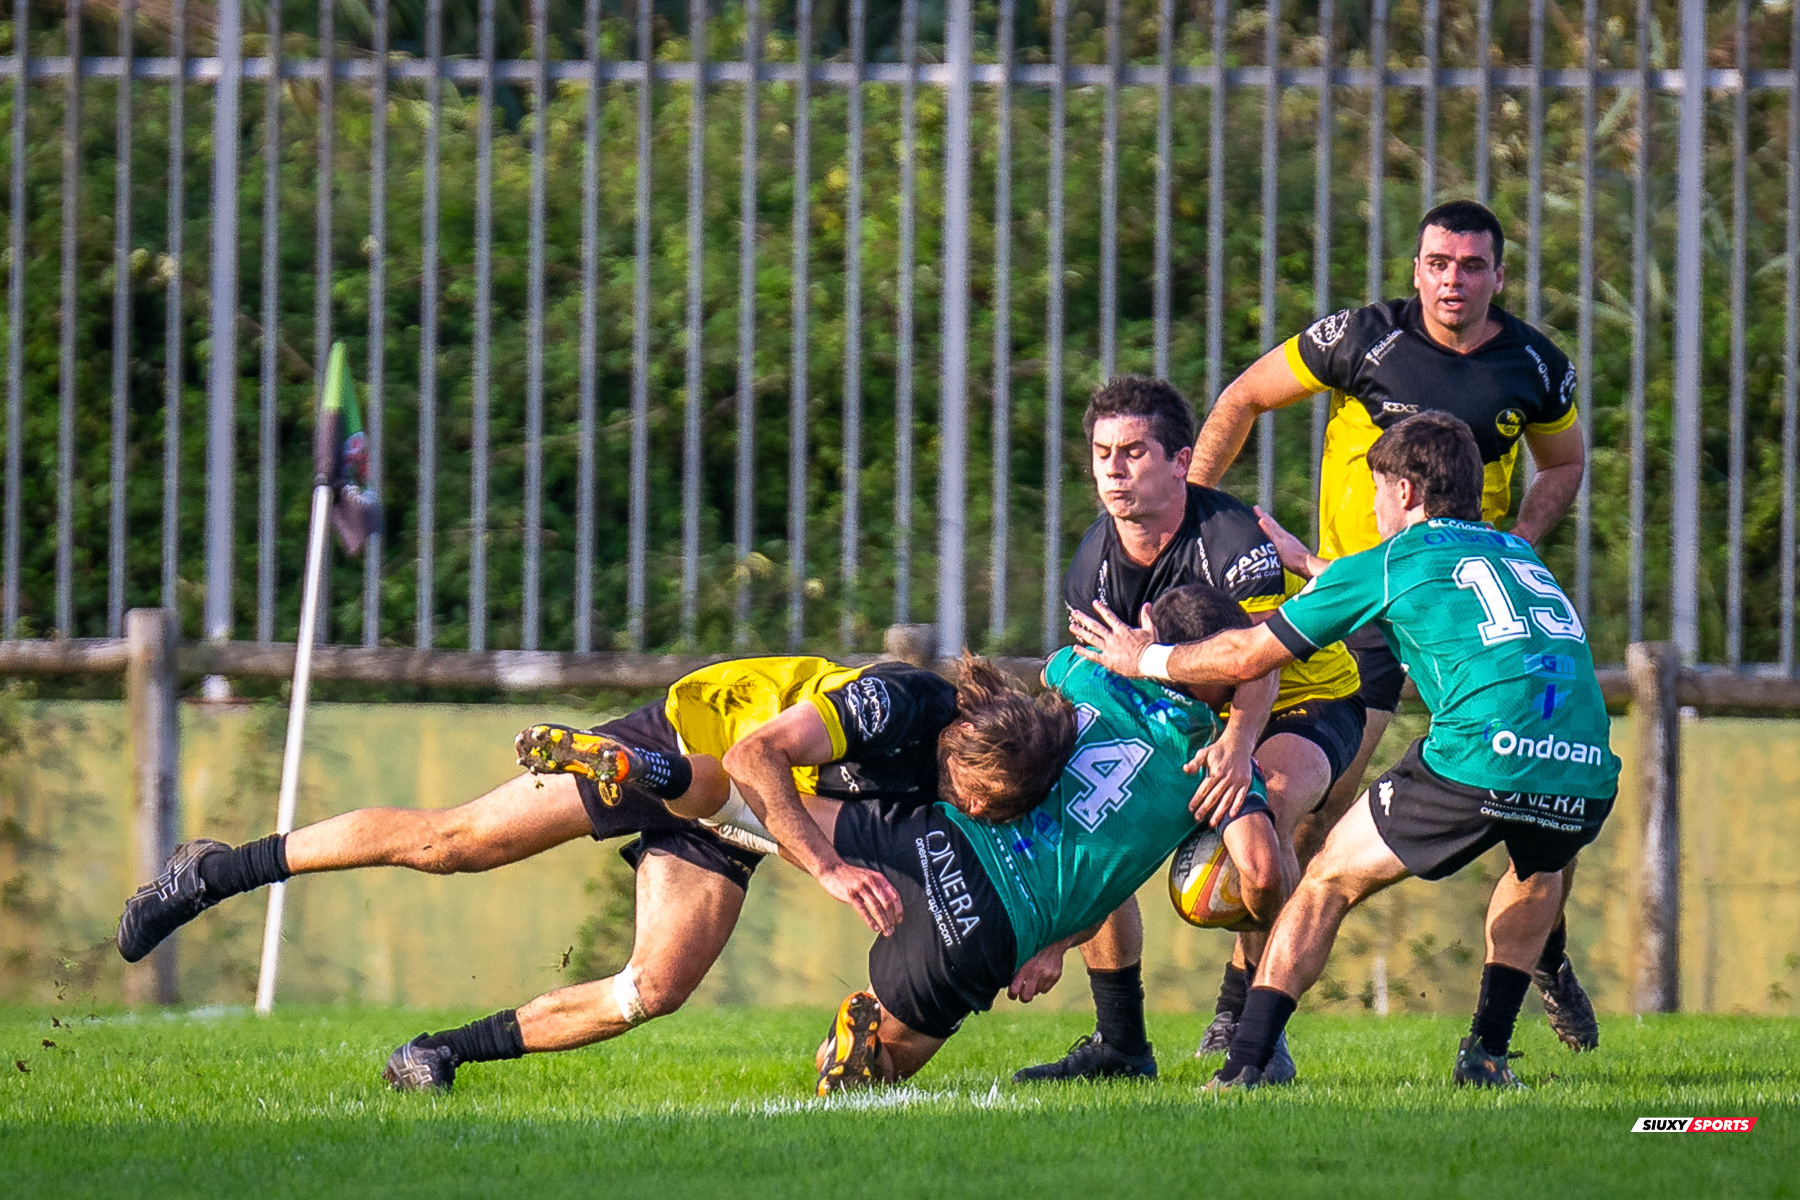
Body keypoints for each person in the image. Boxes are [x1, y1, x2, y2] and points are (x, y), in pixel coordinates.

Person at [115, 655, 1045, 1092]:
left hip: (737, 821)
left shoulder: (993, 775)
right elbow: (757, 758)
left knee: (653, 990)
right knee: (454, 842)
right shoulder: (899, 703)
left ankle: (438, 1053)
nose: (978, 813)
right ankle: (216, 872)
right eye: (977, 796)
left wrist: (1050, 941)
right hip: (701, 745)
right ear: (961, 742)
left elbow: (1069, 862)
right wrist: (830, 868)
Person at [1072, 413, 1619, 1089]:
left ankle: (1247, 1063)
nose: (1374, 506)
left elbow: (1247, 655)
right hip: (1585, 766)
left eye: (1378, 490)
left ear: (1406, 493)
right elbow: (1430, 593)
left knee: (1327, 879)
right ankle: (1486, 1056)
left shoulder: (1388, 562)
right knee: (1538, 871)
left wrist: (1145, 658)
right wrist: (1311, 567)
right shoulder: (1516, 554)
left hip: (1483, 753)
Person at [1186, 198, 1598, 1050]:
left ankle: (1543, 955)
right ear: (1416, 269)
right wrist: (1196, 512)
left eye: (1472, 266)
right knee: (1319, 804)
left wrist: (1516, 543)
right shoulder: (1361, 339)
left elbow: (1564, 465)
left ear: (1499, 276)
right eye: (1438, 263)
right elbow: (1243, 396)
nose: (1453, 281)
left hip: (1458, 612)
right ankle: (1240, 1006)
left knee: (1520, 786)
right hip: (1357, 601)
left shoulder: (1534, 365)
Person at [738, 585, 1288, 1095]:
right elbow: (1261, 872)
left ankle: (706, 801)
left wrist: (1134, 653)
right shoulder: (1216, 758)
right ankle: (861, 1045)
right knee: (878, 1068)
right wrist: (1249, 915)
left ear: (1148, 626)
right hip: (992, 925)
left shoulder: (1084, 671)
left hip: (941, 835)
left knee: (757, 806)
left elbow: (1054, 667)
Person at [1015, 376, 1363, 1082]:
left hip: (1302, 697)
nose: (1114, 470)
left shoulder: (1233, 540)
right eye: (1102, 454)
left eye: (1134, 452)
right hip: (1192, 708)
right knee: (1094, 819)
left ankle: (1253, 1025)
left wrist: (1236, 746)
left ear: (1180, 462)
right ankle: (1120, 1044)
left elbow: (1257, 663)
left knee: (1266, 822)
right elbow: (1106, 683)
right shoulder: (1093, 566)